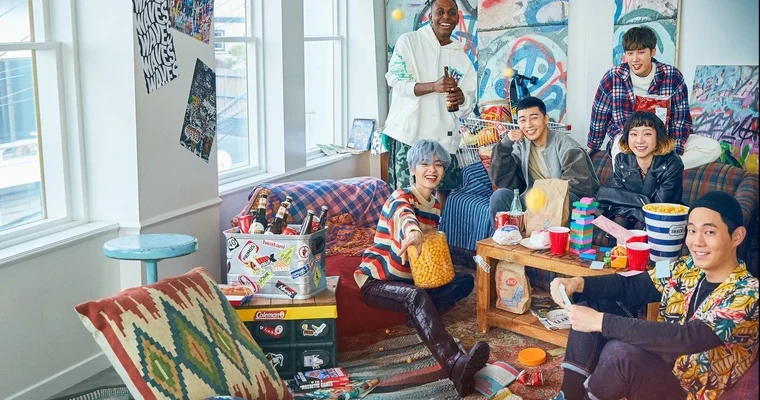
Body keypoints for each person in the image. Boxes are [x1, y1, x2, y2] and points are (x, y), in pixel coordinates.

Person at [548, 191, 758, 400]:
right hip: (666, 368)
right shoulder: (684, 266)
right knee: (594, 305)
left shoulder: (749, 293)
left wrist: (601, 322)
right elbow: (632, 285)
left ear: (737, 236)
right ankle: (569, 395)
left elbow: (688, 337)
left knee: (621, 354)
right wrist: (577, 282)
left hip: (693, 393)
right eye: (692, 231)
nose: (697, 242)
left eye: (709, 232)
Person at [354, 140, 489, 397]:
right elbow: (406, 218)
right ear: (412, 169)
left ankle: (415, 316)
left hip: (409, 279)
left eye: (438, 164)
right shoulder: (400, 197)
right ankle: (454, 363)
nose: (432, 170)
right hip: (378, 281)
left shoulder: (435, 204)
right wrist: (414, 233)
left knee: (464, 281)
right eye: (425, 163)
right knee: (416, 297)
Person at [383, 0, 477, 207]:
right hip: (409, 136)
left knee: (444, 201)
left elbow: (466, 108)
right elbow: (397, 82)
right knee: (405, 200)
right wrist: (433, 86)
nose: (446, 17)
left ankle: (440, 228)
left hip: (444, 139)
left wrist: (462, 99)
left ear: (457, 18)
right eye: (440, 12)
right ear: (430, 17)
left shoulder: (462, 59)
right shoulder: (409, 42)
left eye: (451, 13)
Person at [586, 26, 721, 170]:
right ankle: (653, 170)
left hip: (663, 137)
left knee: (713, 147)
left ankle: (660, 167)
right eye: (630, 53)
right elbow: (599, 115)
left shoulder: (672, 76)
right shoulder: (613, 77)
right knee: (621, 156)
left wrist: (673, 150)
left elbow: (681, 119)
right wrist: (592, 148)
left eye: (641, 52)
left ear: (653, 51)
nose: (635, 59)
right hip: (628, 139)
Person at [489, 96, 599, 224]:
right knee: (500, 196)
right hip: (533, 203)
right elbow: (501, 180)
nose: (528, 125)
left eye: (534, 118)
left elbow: (579, 187)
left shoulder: (568, 147)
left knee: (568, 198)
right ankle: (506, 236)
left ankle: (545, 233)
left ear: (546, 119)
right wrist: (505, 144)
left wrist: (547, 200)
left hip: (563, 203)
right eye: (522, 120)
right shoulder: (520, 146)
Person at [596, 110, 684, 230]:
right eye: (633, 134)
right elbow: (617, 201)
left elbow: (660, 207)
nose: (639, 140)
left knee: (641, 225)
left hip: (663, 218)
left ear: (658, 137)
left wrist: (632, 201)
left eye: (647, 134)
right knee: (619, 223)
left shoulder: (672, 163)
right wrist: (643, 201)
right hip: (629, 215)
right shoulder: (622, 160)